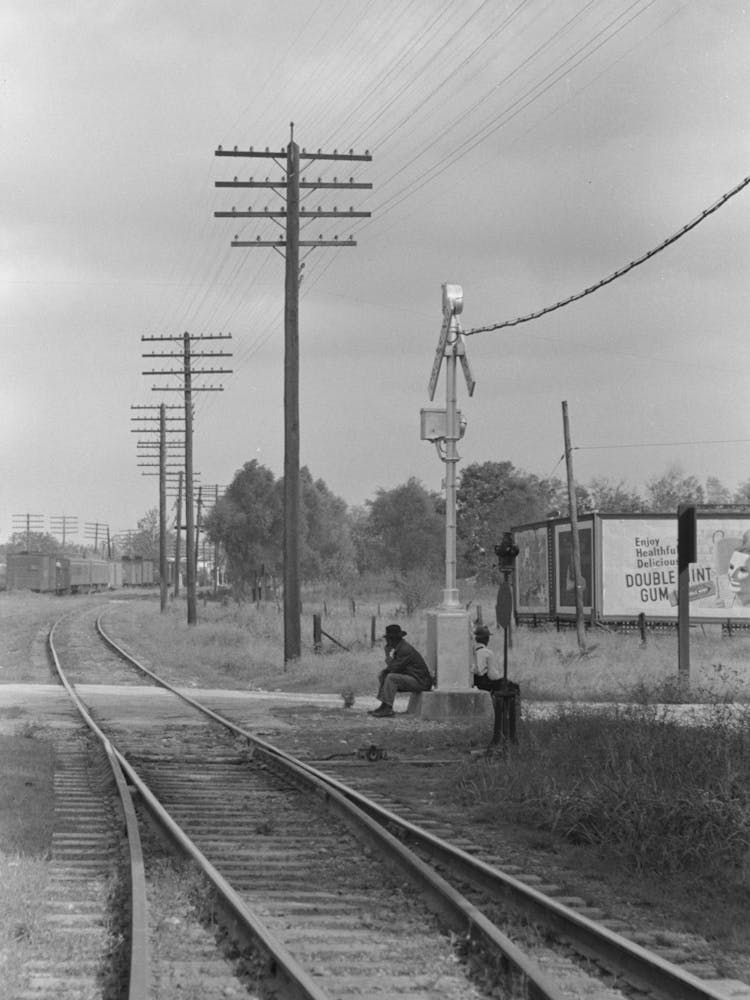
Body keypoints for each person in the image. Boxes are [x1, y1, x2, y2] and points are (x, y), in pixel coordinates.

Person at [368, 624, 433, 717]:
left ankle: (388, 709)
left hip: (421, 682)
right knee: (384, 674)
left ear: (392, 639)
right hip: (415, 679)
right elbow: (394, 668)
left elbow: (393, 669)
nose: (386, 641)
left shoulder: (404, 650)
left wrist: (387, 654)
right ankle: (384, 705)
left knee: (391, 677)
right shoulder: (400, 648)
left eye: (388, 638)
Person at [472, 625, 502, 692]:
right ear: (487, 639)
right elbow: (492, 675)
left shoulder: (470, 652)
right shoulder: (488, 653)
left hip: (473, 683)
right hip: (483, 685)